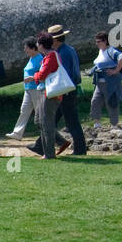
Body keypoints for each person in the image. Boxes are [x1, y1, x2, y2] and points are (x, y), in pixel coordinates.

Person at [48, 24, 88, 155]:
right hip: (70, 89)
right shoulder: (69, 50)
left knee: (71, 121)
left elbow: (62, 74)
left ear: (55, 40)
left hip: (66, 91)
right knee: (52, 119)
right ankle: (43, 145)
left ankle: (80, 149)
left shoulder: (62, 53)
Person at [30, 32, 67, 159]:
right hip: (46, 92)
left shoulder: (51, 56)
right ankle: (49, 150)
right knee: (39, 121)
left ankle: (49, 154)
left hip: (50, 94)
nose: (36, 45)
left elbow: (41, 76)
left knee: (46, 123)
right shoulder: (49, 56)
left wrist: (34, 76)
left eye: (38, 43)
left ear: (41, 45)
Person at [5, 37, 43, 140]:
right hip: (28, 89)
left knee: (39, 112)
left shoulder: (40, 59)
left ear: (33, 48)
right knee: (24, 110)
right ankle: (17, 133)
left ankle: (45, 134)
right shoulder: (31, 58)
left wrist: (32, 78)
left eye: (26, 48)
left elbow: (42, 73)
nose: (25, 50)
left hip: (36, 89)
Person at [87, 31, 122, 128]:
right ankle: (97, 124)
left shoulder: (111, 50)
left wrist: (116, 70)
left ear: (105, 41)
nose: (96, 44)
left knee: (112, 103)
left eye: (98, 41)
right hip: (99, 82)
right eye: (96, 41)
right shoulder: (101, 51)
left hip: (110, 82)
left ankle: (114, 125)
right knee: (95, 101)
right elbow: (99, 64)